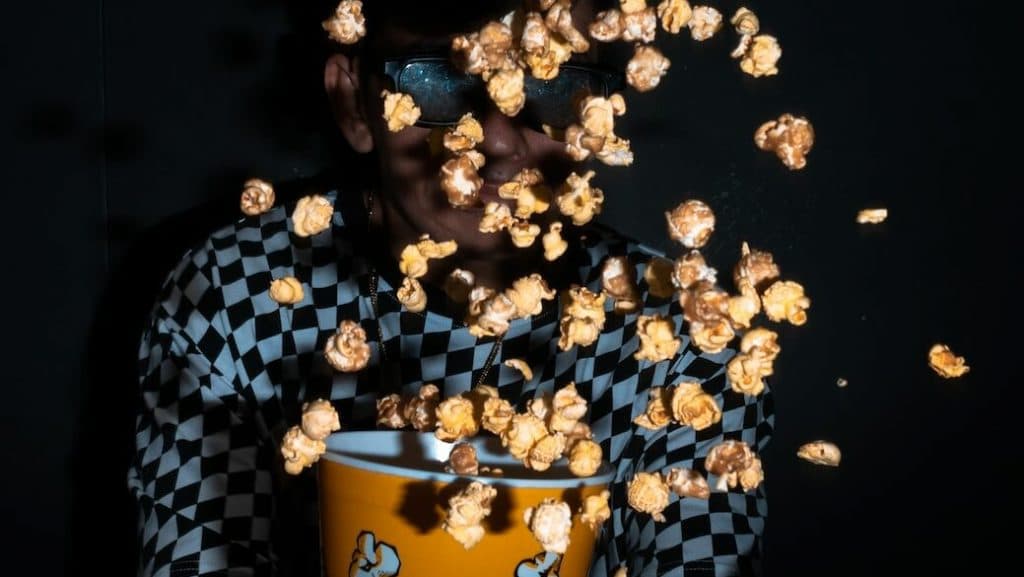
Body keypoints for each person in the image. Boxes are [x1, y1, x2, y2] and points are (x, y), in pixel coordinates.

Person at [127, 1, 774, 575]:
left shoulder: (684, 336)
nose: (495, 138)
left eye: (552, 83)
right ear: (355, 103)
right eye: (441, 80)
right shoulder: (235, 296)